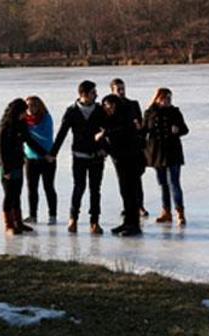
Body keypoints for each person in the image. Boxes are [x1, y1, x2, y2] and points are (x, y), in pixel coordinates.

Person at [51, 80, 107, 235]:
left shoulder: (99, 110)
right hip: (79, 156)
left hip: (97, 156)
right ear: (84, 94)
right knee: (79, 187)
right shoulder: (72, 111)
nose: (96, 95)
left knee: (95, 190)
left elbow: (107, 131)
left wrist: (105, 149)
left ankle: (94, 222)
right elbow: (62, 133)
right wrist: (53, 154)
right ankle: (73, 219)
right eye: (93, 93)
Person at [0, 98, 53, 235]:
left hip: (18, 163)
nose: (25, 114)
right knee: (9, 195)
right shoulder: (4, 127)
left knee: (17, 194)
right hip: (5, 167)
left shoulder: (21, 124)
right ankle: (9, 225)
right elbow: (1, 150)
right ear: (17, 111)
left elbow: (30, 141)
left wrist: (45, 155)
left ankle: (19, 223)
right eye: (23, 112)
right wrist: (6, 170)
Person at [96, 94, 143, 237]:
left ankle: (134, 225)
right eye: (105, 105)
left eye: (109, 105)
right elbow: (106, 139)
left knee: (132, 191)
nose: (107, 108)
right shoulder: (107, 119)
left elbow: (126, 131)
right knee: (125, 191)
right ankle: (127, 222)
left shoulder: (125, 116)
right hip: (119, 159)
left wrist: (105, 134)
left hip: (132, 158)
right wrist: (103, 146)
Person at [144, 88, 190, 226]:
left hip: (173, 151)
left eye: (169, 98)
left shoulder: (175, 112)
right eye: (165, 98)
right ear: (158, 98)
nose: (168, 101)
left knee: (174, 183)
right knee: (162, 183)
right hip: (156, 152)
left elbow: (185, 129)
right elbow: (144, 130)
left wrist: (178, 130)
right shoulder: (149, 113)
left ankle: (180, 212)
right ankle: (166, 212)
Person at [110, 78, 149, 218]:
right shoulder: (109, 106)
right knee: (123, 180)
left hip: (133, 148)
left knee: (136, 179)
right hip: (117, 150)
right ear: (113, 91)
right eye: (118, 89)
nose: (121, 91)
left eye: (123, 88)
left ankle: (140, 206)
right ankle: (127, 206)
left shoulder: (133, 104)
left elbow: (141, 126)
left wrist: (140, 130)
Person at [23, 96, 57, 225]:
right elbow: (25, 139)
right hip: (30, 159)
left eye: (33, 105)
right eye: (28, 106)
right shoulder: (24, 120)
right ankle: (33, 215)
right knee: (32, 188)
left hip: (48, 158)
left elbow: (43, 135)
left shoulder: (46, 118)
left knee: (48, 187)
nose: (30, 108)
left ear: (39, 106)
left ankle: (52, 215)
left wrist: (27, 131)